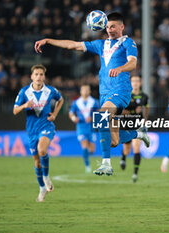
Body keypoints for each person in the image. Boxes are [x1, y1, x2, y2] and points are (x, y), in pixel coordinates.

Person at [34, 12, 150, 176]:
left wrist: (120, 68)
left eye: (113, 26)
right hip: (105, 95)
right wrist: (48, 40)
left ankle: (106, 164)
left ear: (122, 27)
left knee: (101, 116)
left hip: (120, 91)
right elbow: (72, 45)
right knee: (114, 141)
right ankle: (138, 133)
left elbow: (133, 63)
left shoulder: (128, 43)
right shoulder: (101, 44)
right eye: (108, 26)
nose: (110, 29)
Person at [13, 64, 64, 202]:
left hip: (46, 126)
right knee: (37, 161)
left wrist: (54, 114)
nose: (39, 77)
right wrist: (24, 106)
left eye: (41, 74)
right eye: (36, 74)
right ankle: (42, 188)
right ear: (32, 76)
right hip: (32, 130)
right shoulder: (24, 92)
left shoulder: (51, 91)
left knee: (42, 150)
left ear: (44, 77)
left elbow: (61, 100)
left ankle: (46, 177)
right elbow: (15, 110)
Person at [120, 75, 149, 182]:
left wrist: (145, 119)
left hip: (138, 124)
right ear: (130, 83)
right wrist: (131, 111)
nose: (135, 83)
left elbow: (146, 108)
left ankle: (135, 174)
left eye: (137, 81)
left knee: (136, 148)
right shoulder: (126, 95)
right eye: (133, 81)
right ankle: (123, 158)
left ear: (140, 83)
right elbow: (120, 111)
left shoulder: (144, 96)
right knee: (127, 150)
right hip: (126, 123)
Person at [69, 84, 100, 173]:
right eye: (83, 90)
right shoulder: (76, 102)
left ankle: (85, 156)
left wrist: (93, 117)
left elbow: (99, 113)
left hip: (91, 128)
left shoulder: (94, 102)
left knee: (92, 150)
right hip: (81, 127)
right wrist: (74, 118)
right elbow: (71, 113)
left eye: (87, 90)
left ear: (90, 91)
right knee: (84, 146)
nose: (85, 91)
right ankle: (87, 166)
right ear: (81, 91)